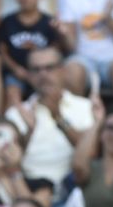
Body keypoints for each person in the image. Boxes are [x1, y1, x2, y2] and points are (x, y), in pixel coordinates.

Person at [6, 48, 96, 195]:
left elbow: (92, 155)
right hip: (27, 192)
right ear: (28, 75)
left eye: (50, 68)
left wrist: (58, 118)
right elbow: (8, 162)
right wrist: (29, 132)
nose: (43, 74)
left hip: (74, 191)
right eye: (36, 70)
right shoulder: (15, 114)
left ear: (63, 71)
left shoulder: (86, 107)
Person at [0, 0, 60, 110]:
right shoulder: (7, 22)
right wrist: (17, 69)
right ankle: (11, 126)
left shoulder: (49, 23)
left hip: (43, 73)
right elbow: (2, 50)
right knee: (12, 92)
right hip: (16, 73)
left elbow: (55, 50)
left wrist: (40, 72)